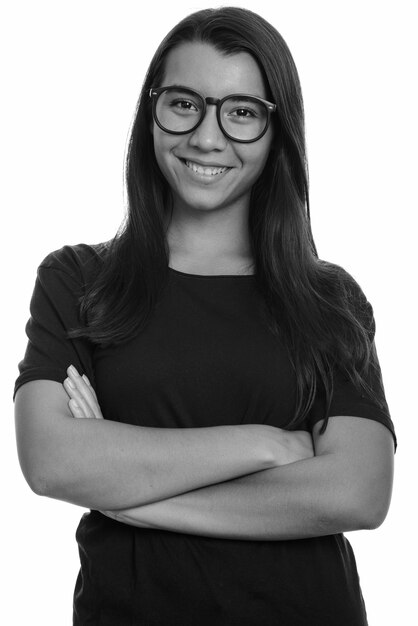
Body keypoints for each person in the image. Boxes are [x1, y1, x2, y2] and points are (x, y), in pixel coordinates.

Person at [14, 6, 396, 625]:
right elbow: (54, 461)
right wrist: (269, 445)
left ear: (278, 132)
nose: (207, 137)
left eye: (242, 112)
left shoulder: (329, 300)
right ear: (152, 111)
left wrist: (131, 498)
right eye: (184, 103)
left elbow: (357, 493)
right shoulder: (79, 281)